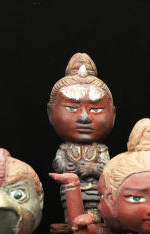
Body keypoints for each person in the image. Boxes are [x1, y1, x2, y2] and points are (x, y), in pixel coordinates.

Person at [48, 52, 115, 222]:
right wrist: (65, 167)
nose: (84, 117)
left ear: (113, 115)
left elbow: (108, 169)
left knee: (95, 216)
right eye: (72, 108)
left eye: (96, 109)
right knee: (71, 215)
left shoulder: (101, 150)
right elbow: (58, 163)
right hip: (70, 191)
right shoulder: (64, 149)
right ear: (50, 113)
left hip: (96, 193)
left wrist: (93, 169)